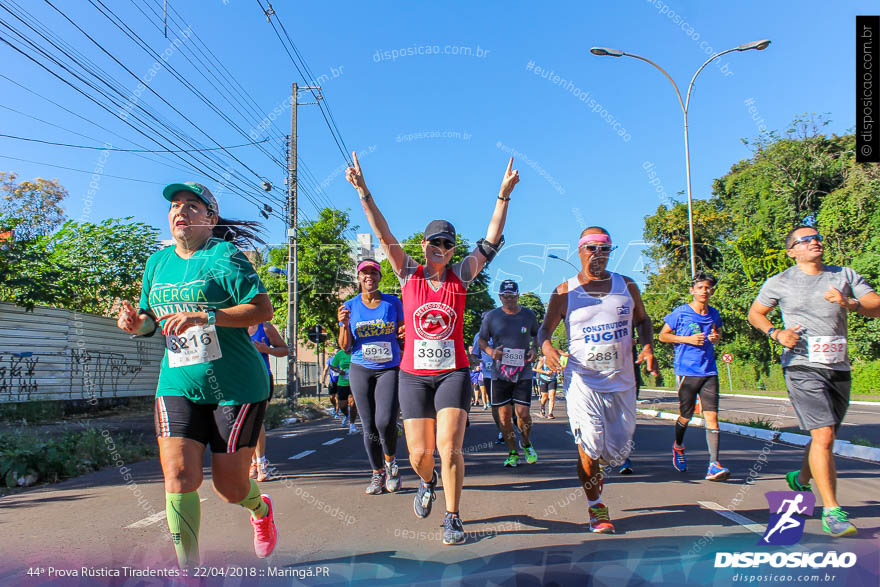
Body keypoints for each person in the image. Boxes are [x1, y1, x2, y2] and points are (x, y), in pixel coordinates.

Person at [346, 151, 518, 545]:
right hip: (412, 375)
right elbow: (383, 231)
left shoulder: (461, 276)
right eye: (434, 242)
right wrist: (363, 191)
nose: (440, 247)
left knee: (450, 447)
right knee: (421, 456)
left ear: (453, 250)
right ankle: (427, 483)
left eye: (447, 243)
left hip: (452, 372)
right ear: (422, 245)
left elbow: (491, 240)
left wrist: (503, 195)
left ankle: (453, 517)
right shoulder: (408, 273)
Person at [115, 181, 277, 568]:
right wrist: (135, 324)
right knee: (179, 475)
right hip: (178, 383)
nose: (180, 211)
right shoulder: (157, 263)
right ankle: (190, 573)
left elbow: (262, 310)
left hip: (236, 387)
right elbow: (151, 322)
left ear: (211, 218)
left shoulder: (226, 256)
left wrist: (207, 315)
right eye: (175, 206)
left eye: (192, 205)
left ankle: (260, 509)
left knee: (230, 488)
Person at [748, 226, 879, 538]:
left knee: (826, 436)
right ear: (792, 251)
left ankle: (800, 477)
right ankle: (832, 511)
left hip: (838, 367)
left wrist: (852, 304)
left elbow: (877, 306)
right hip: (801, 366)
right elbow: (756, 313)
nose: (814, 242)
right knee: (824, 435)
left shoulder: (844, 274)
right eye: (805, 240)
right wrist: (776, 333)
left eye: (816, 237)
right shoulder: (779, 281)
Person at [538, 226, 656, 534]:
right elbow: (544, 331)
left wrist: (647, 347)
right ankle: (597, 507)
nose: (598, 254)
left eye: (604, 248)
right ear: (580, 251)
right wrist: (547, 346)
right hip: (582, 381)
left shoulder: (627, 286)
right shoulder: (565, 291)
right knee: (589, 448)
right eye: (592, 248)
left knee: (615, 453)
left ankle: (599, 468)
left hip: (622, 381)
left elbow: (643, 321)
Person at [338, 258, 405, 495]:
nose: (369, 277)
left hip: (389, 367)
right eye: (364, 273)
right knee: (369, 426)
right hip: (361, 368)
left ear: (379, 277)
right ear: (358, 278)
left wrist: (403, 331)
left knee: (385, 421)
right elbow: (345, 347)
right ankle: (377, 473)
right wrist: (344, 325)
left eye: (373, 273)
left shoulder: (393, 303)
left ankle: (391, 463)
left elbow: (402, 331)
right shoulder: (350, 305)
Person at [658, 271, 730, 482]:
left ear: (712, 291)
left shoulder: (714, 313)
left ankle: (713, 464)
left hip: (709, 370)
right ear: (692, 290)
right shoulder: (680, 313)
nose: (704, 291)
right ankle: (678, 446)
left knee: (712, 417)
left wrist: (716, 338)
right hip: (687, 371)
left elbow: (717, 335)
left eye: (708, 288)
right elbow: (663, 336)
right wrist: (687, 339)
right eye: (700, 288)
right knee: (686, 416)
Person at [478, 280, 540, 467]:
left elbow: (537, 335)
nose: (509, 299)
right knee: (504, 417)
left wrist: (534, 349)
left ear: (518, 295)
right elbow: (481, 339)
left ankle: (526, 442)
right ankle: (512, 451)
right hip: (500, 374)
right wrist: (490, 352)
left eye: (512, 296)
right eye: (505, 296)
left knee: (523, 414)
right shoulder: (492, 317)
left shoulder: (528, 315)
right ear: (500, 296)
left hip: (523, 372)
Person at [248, 321, 289, 482]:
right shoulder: (232, 326)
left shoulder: (264, 328)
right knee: (246, 423)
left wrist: (267, 350)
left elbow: (284, 350)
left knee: (256, 420)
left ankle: (261, 462)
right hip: (239, 380)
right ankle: (252, 462)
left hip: (261, 378)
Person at [329, 347, 357, 433]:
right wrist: (339, 371)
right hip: (342, 383)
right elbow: (332, 366)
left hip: (354, 382)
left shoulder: (356, 352)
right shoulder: (340, 354)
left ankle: (352, 425)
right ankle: (346, 415)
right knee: (342, 406)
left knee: (353, 404)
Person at [322, 346, 341, 417]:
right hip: (332, 381)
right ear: (334, 352)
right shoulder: (330, 360)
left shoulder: (343, 360)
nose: (337, 353)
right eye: (336, 352)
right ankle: (335, 406)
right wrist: (323, 379)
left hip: (341, 381)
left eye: (339, 352)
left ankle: (336, 412)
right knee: (331, 397)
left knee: (337, 397)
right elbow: (325, 369)